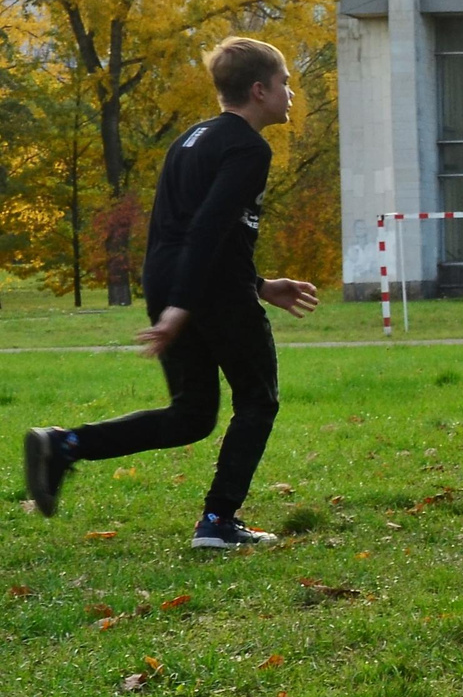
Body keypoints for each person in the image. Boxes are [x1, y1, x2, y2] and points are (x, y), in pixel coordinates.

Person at [23, 37, 320, 547]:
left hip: (170, 280)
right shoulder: (249, 147)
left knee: (192, 416)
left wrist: (260, 285)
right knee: (258, 400)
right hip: (204, 291)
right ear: (258, 90)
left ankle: (65, 444)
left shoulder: (190, 139)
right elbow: (207, 227)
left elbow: (188, 232)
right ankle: (218, 522)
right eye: (285, 82)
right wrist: (184, 307)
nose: (290, 93)